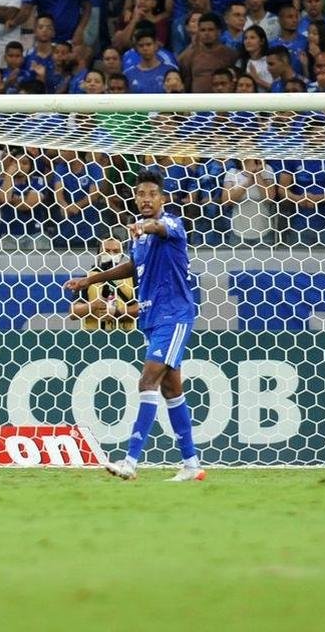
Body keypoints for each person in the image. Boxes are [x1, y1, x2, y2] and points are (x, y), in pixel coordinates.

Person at [63, 169, 203, 482]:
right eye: (140, 194)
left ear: (162, 199)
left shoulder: (172, 225)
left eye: (152, 194)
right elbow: (133, 266)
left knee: (147, 381)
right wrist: (91, 279)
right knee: (171, 389)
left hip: (174, 315)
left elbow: (159, 227)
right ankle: (192, 464)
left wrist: (144, 226)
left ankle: (130, 461)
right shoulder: (139, 239)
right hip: (151, 318)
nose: (145, 199)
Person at [69, 237, 138, 331]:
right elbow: (73, 312)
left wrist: (117, 312)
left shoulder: (133, 278)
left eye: (116, 251)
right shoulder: (87, 279)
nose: (111, 254)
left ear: (122, 254)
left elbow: (142, 307)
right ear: (98, 253)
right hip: (94, 335)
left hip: (126, 334)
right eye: (107, 251)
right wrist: (93, 305)